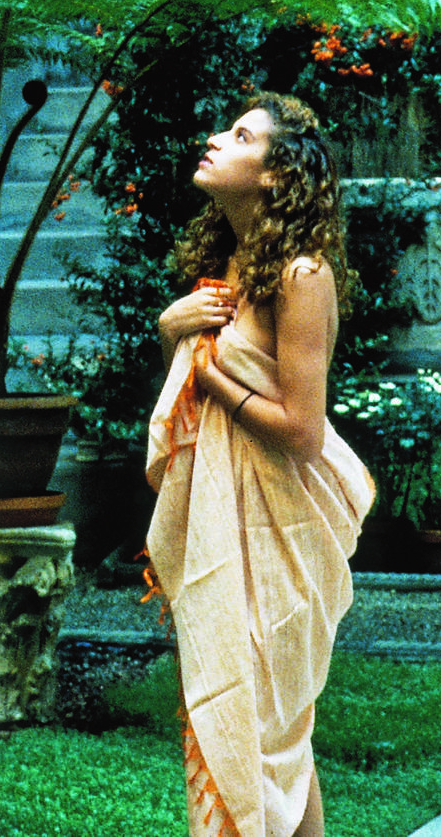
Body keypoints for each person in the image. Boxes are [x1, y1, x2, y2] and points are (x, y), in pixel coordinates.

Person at [146, 92, 376, 837]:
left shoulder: (302, 275)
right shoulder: (229, 264)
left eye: (240, 135)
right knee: (270, 732)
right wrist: (170, 330)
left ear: (276, 177)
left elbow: (302, 431)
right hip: (229, 520)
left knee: (268, 729)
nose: (215, 139)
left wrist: (207, 370)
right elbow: (192, 367)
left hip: (289, 522)